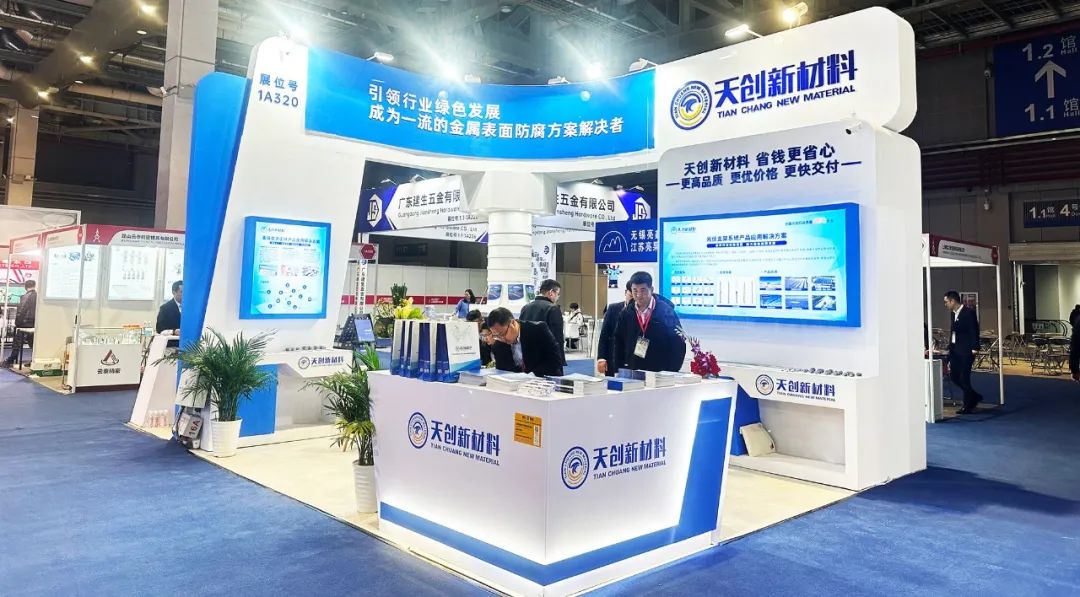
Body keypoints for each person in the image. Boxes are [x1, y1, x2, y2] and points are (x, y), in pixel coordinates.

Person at [612, 271, 686, 373]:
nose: (639, 295)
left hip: (660, 372)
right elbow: (618, 342)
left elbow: (678, 343)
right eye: (635, 291)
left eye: (643, 290)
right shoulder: (626, 313)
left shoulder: (666, 312)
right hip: (634, 370)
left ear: (651, 289)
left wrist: (671, 371)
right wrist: (618, 369)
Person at [486, 307, 563, 377]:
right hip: (517, 384)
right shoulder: (498, 345)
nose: (502, 339)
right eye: (496, 336)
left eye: (502, 334)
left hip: (546, 379)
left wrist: (530, 375)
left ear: (513, 323)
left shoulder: (538, 330)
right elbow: (503, 372)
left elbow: (555, 361)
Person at [944, 290, 982, 414]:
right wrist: (950, 348)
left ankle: (967, 404)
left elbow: (974, 330)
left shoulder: (968, 313)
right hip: (955, 349)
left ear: (952, 301)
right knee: (954, 376)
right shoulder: (953, 314)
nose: (945, 305)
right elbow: (953, 332)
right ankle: (974, 396)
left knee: (964, 377)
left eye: (946, 302)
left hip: (966, 350)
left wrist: (975, 347)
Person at [520, 279, 565, 365]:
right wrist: (560, 359)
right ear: (551, 292)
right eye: (558, 294)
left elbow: (521, 333)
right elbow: (557, 337)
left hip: (528, 356)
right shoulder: (553, 308)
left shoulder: (525, 308)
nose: (558, 297)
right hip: (548, 358)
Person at [596, 284, 633, 376]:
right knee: (612, 383)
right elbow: (604, 334)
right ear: (625, 293)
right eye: (631, 295)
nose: (633, 299)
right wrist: (601, 358)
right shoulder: (613, 308)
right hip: (613, 357)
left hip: (633, 359)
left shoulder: (641, 310)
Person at [4, 280, 36, 367]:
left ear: (25, 287)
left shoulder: (26, 296)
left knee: (17, 341)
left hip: (24, 323)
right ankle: (34, 360)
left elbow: (22, 310)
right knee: (32, 342)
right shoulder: (38, 296)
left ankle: (11, 359)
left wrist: (17, 322)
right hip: (34, 323)